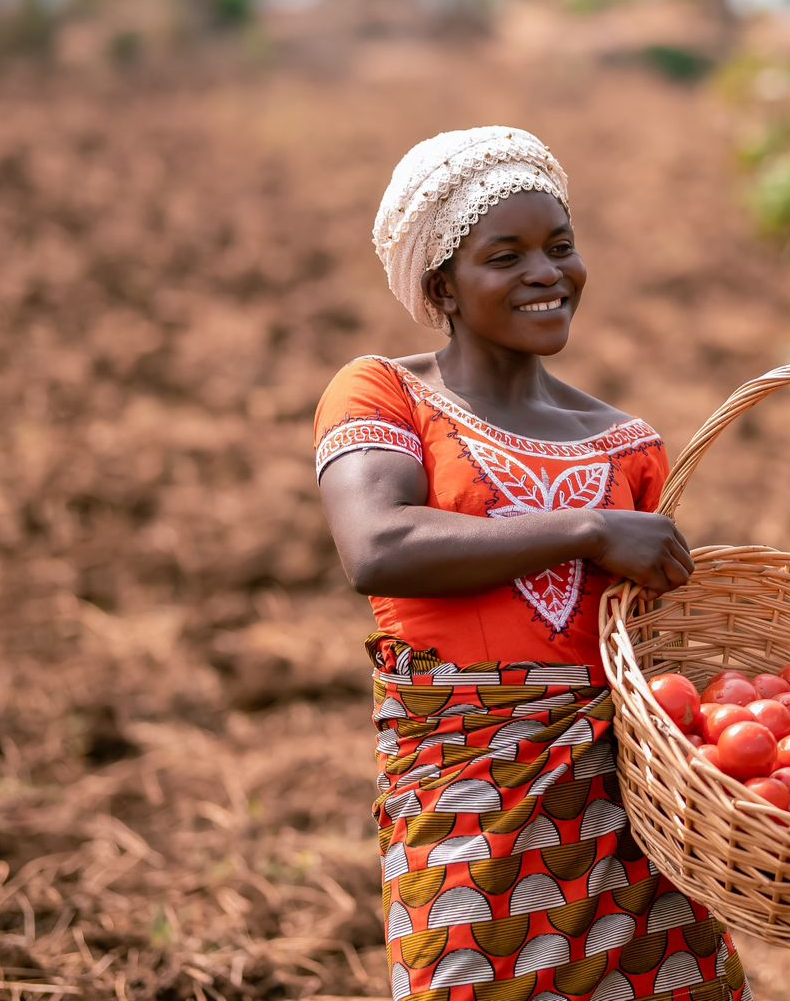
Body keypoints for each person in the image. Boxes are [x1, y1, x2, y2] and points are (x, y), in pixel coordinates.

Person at [314, 126, 753, 1001]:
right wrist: (586, 530)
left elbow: (646, 649)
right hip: (470, 798)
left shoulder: (630, 444)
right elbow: (379, 546)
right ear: (442, 284)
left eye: (560, 247)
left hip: (625, 814)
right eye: (504, 255)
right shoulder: (385, 392)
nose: (548, 273)